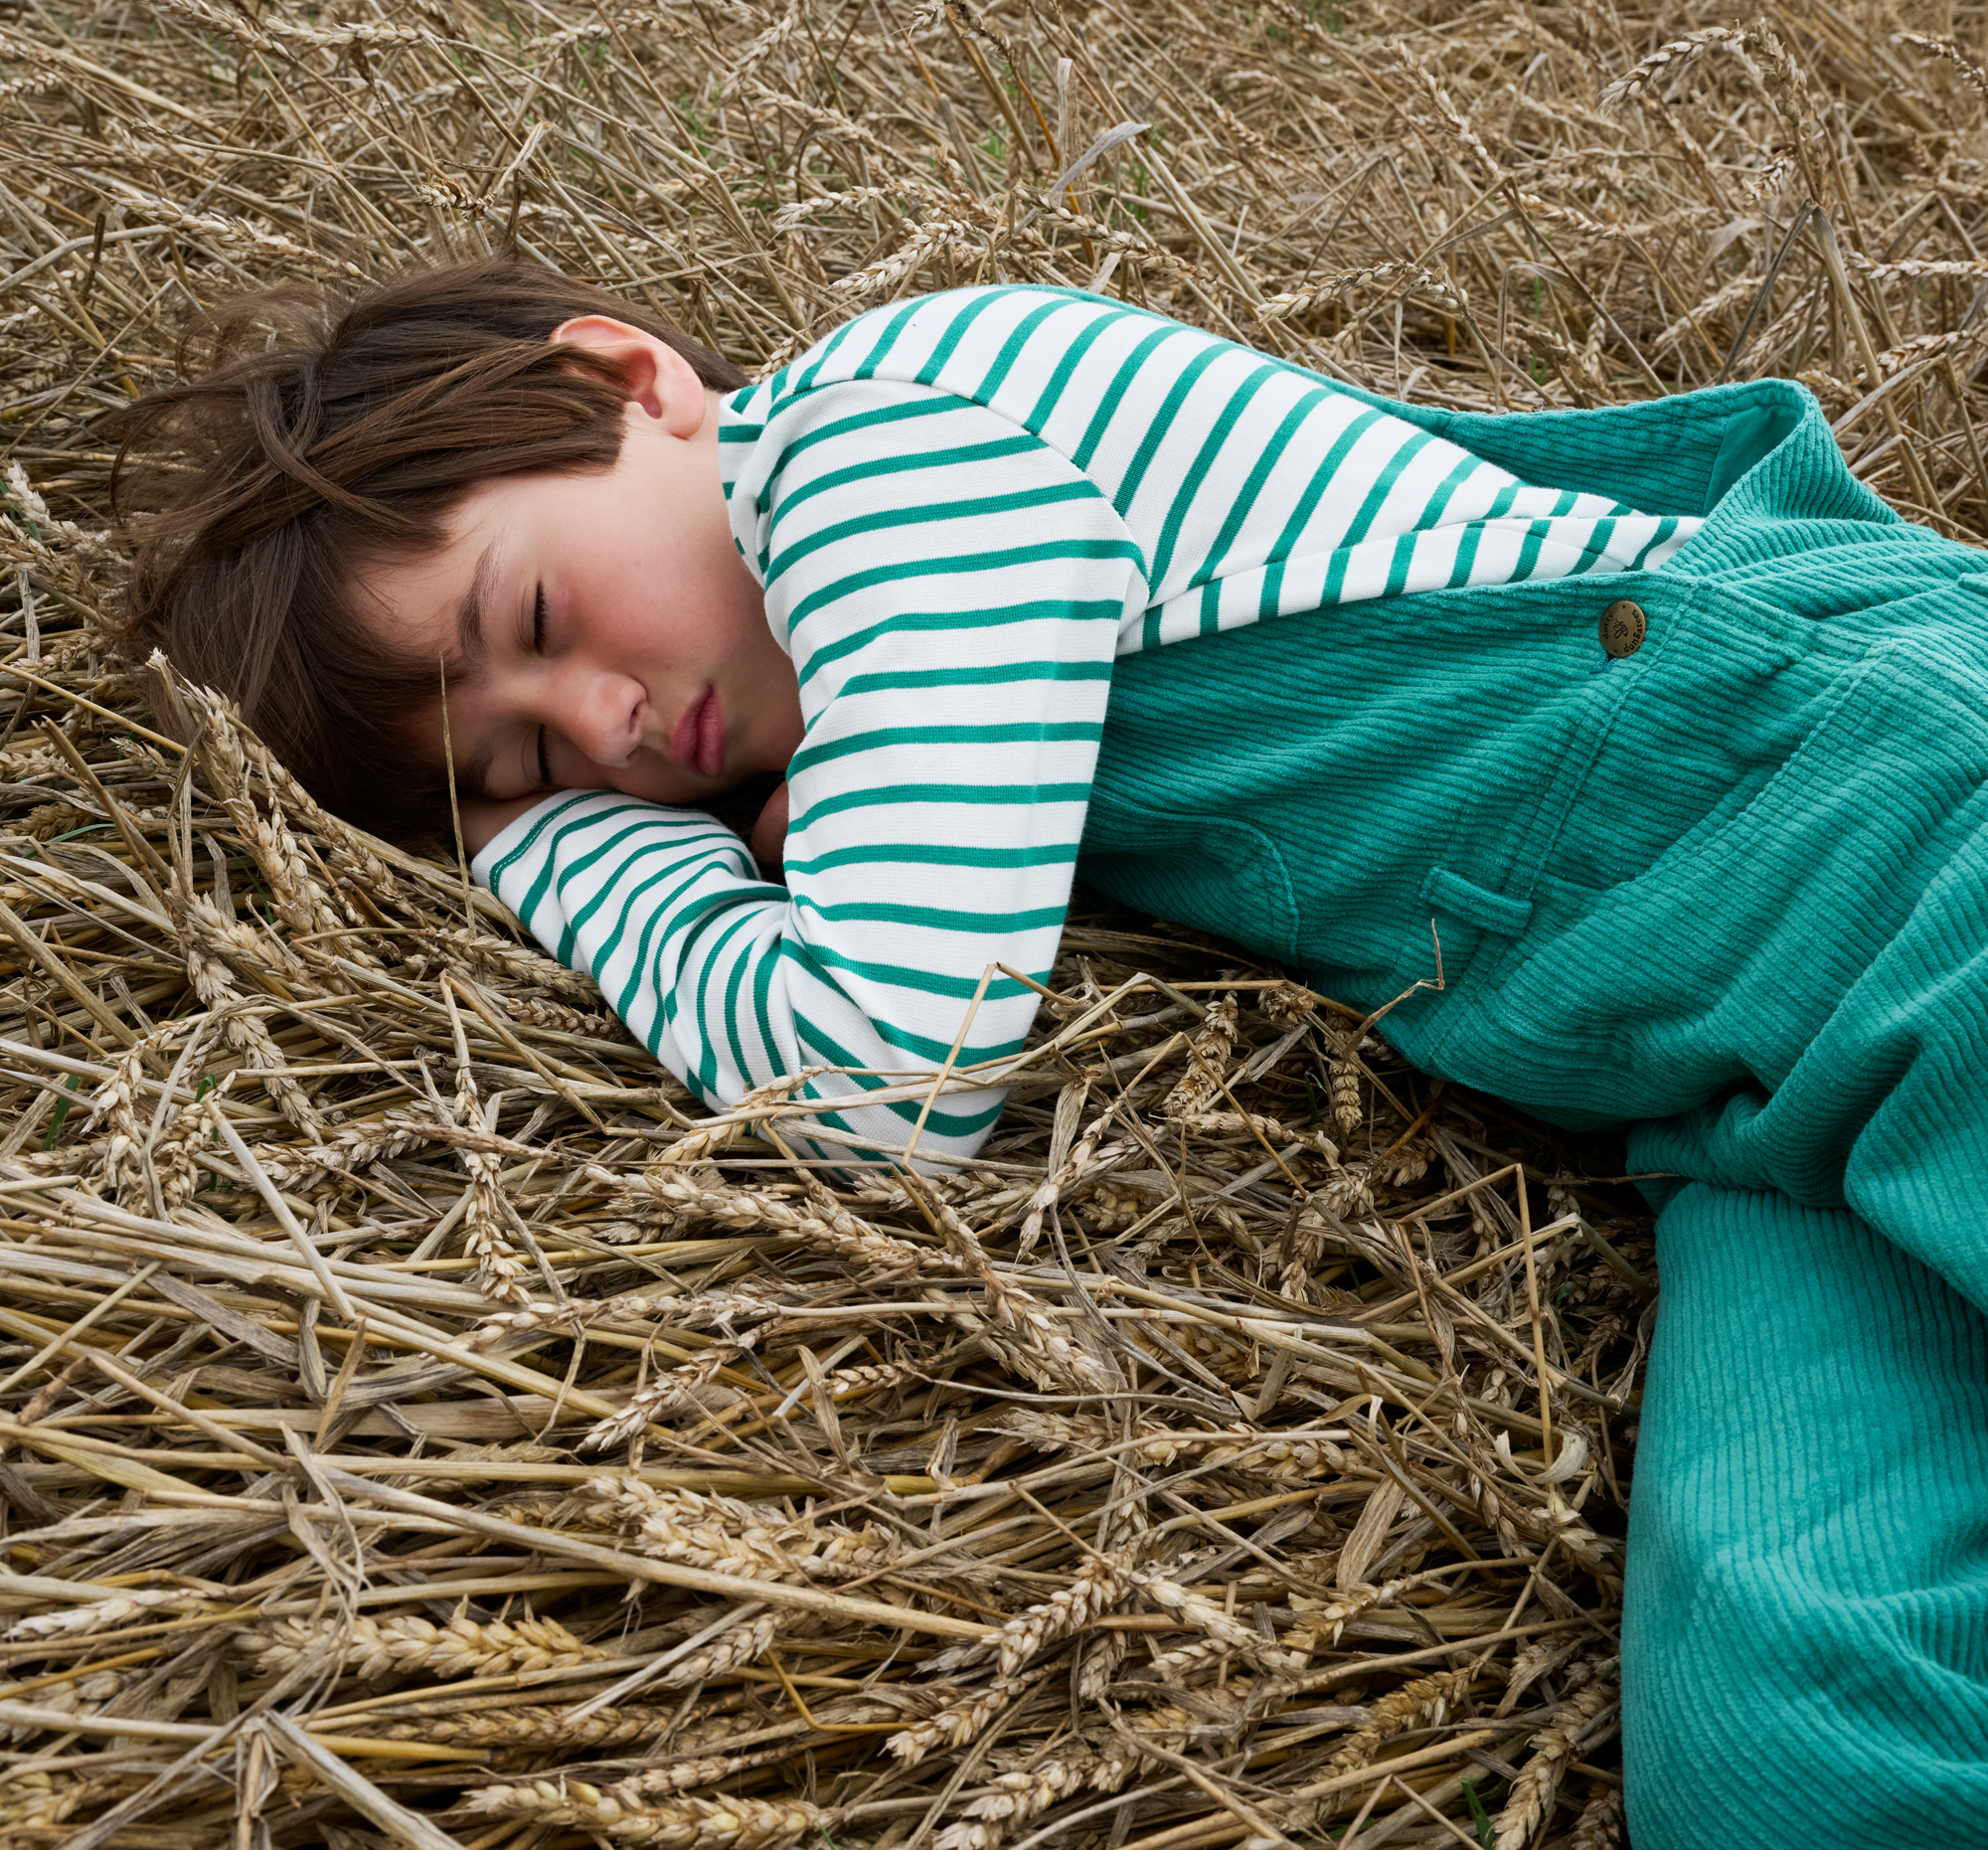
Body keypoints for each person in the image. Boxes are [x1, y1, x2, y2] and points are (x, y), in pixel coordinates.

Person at [120, 257, 1988, 1848]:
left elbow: (883, 1080)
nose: (606, 726)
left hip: (1907, 830)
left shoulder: (884, 457)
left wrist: (564, 853)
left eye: (528, 624)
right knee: (1783, 1721)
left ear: (632, 385)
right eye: (520, 762)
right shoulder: (857, 693)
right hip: (1744, 1084)